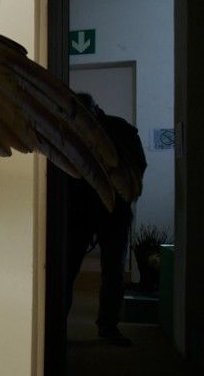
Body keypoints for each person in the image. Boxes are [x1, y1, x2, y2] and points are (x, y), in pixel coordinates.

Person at [63, 93, 147, 346]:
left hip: (109, 210)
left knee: (111, 272)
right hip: (82, 210)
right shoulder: (73, 130)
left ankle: (108, 326)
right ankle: (100, 326)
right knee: (67, 271)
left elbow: (135, 168)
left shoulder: (119, 129)